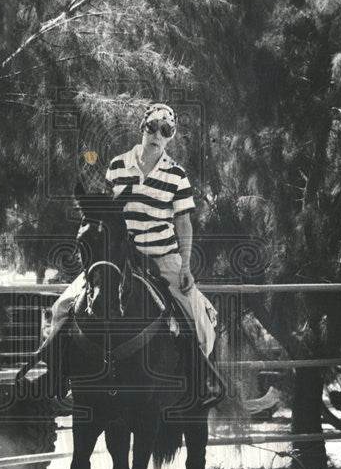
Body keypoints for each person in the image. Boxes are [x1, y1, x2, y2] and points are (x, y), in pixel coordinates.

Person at [49, 103, 220, 380]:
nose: (157, 135)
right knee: (62, 308)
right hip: (119, 256)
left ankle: (201, 382)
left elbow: (183, 222)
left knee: (199, 320)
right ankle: (58, 381)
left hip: (163, 258)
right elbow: (104, 212)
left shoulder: (177, 175)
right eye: (153, 127)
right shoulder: (117, 166)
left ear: (171, 136)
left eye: (166, 130)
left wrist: (185, 266)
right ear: (143, 128)